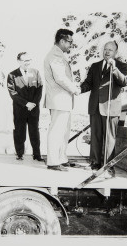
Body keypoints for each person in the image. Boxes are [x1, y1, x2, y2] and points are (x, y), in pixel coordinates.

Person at [80, 41, 127, 173]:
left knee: (109, 137)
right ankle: (95, 162)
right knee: (95, 136)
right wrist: (77, 89)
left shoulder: (121, 65)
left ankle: (108, 165)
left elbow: (124, 82)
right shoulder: (95, 66)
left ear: (116, 52)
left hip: (111, 107)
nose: (107, 52)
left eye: (110, 50)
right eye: (105, 49)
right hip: (95, 106)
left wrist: (115, 69)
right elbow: (88, 83)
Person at [44, 29, 80, 171]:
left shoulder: (59, 55)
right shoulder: (55, 55)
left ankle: (61, 158)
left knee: (63, 131)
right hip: (59, 99)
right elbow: (60, 78)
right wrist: (74, 89)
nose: (71, 45)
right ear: (62, 41)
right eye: (70, 42)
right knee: (57, 131)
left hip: (62, 100)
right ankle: (53, 162)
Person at [7, 52, 44, 161]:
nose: (27, 63)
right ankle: (19, 154)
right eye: (25, 61)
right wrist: (26, 103)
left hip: (34, 108)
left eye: (29, 60)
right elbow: (13, 93)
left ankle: (37, 155)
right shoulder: (12, 75)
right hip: (20, 109)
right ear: (19, 61)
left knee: (35, 132)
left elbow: (39, 90)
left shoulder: (36, 72)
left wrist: (34, 103)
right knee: (19, 131)